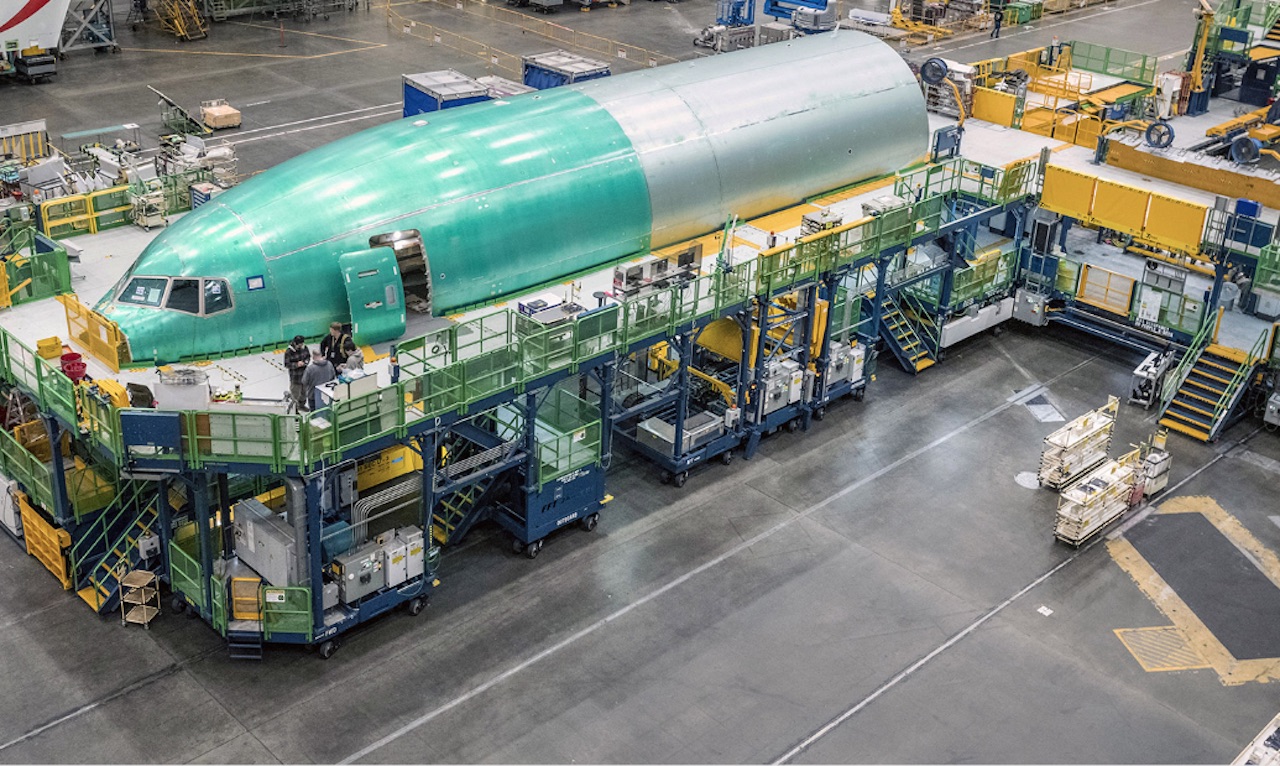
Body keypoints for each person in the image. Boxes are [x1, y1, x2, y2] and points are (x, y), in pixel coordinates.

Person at [284, 335, 310, 408]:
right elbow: (287, 364)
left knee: (304, 393)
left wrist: (306, 362)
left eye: (302, 344)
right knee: (295, 394)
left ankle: (301, 406)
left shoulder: (304, 348)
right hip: (295, 377)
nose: (301, 346)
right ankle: (294, 410)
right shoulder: (289, 351)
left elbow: (308, 356)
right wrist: (296, 364)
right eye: (300, 345)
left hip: (304, 375)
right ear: (295, 343)